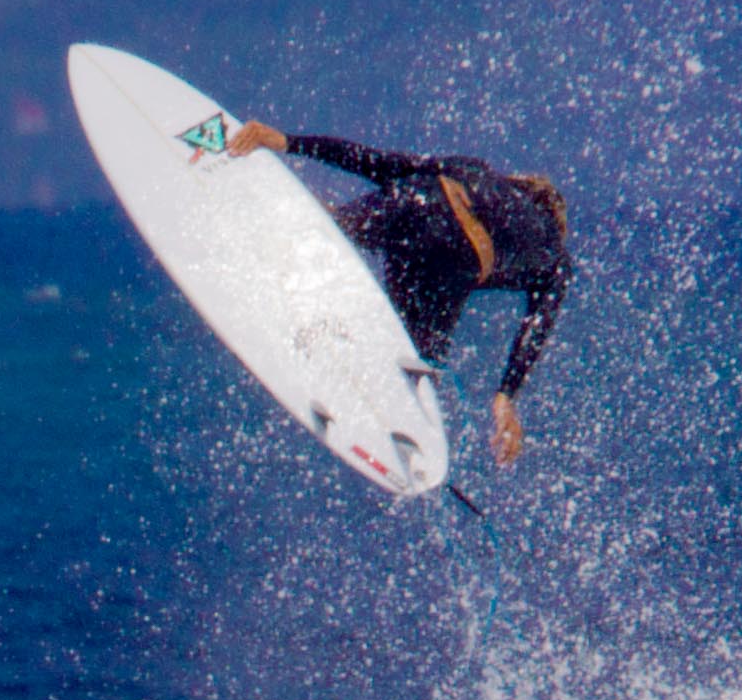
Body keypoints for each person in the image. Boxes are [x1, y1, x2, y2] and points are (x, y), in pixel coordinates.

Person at [226, 124, 573, 466]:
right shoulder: (555, 254)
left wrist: (288, 142)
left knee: (332, 233)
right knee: (415, 361)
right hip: (452, 254)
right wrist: (505, 396)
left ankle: (291, 225)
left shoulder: (475, 170)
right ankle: (370, 395)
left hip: (416, 197)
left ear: (521, 185)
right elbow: (537, 325)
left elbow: (377, 162)